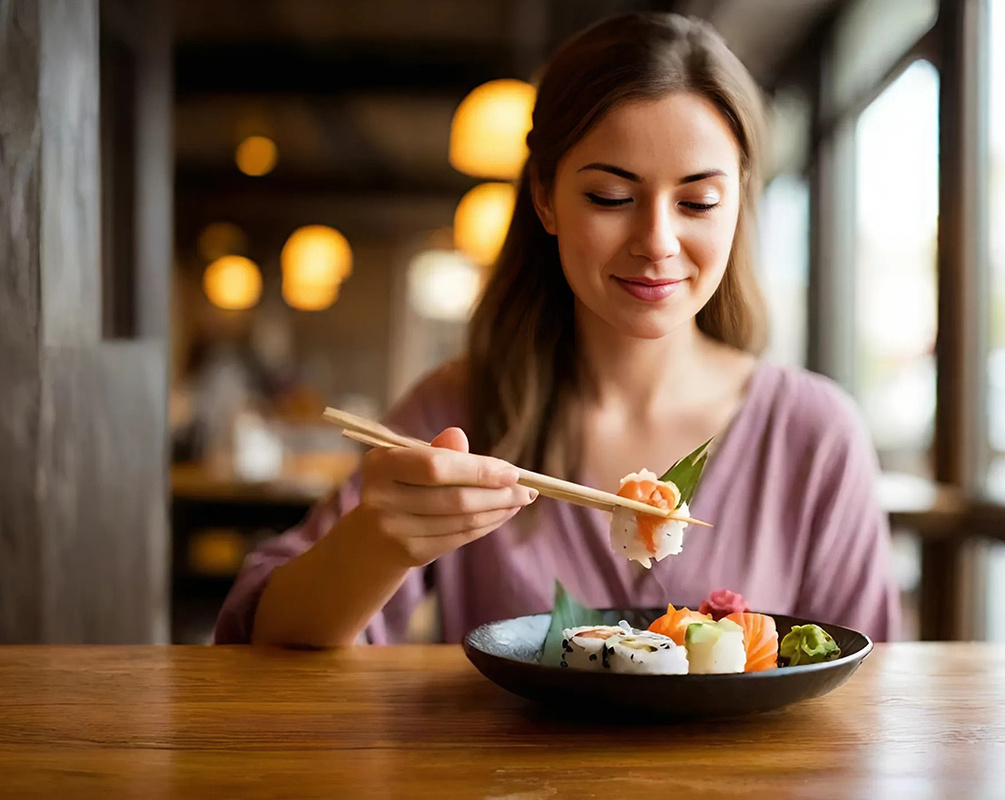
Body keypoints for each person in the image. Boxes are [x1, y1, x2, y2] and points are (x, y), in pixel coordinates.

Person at [214, 12, 899, 647]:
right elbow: (256, 634)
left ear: (739, 203)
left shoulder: (813, 433)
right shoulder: (461, 412)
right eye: (610, 196)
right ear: (545, 197)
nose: (657, 241)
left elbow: (871, 682)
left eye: (698, 201)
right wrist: (377, 544)